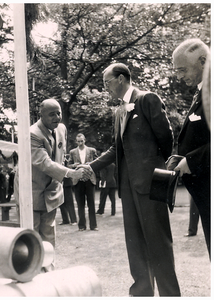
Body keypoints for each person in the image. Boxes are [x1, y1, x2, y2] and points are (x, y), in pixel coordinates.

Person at [79, 63, 180, 296]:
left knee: (158, 243)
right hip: (128, 187)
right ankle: (142, 291)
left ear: (122, 78)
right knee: (134, 243)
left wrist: (157, 169)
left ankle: (170, 294)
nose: (106, 88)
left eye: (107, 82)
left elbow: (166, 137)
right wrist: (91, 166)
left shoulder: (147, 99)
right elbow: (116, 148)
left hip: (151, 184)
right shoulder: (119, 111)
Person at [14, 99, 90, 249]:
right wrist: (71, 174)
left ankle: (49, 269)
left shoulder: (61, 129)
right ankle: (33, 271)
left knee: (49, 236)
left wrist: (73, 167)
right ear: (41, 115)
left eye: (59, 113)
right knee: (31, 237)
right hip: (31, 191)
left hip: (52, 191)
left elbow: (59, 156)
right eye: (51, 114)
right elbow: (44, 163)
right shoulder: (31, 134)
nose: (57, 117)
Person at [172, 38, 210, 257]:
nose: (178, 77)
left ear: (203, 61)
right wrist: (181, 157)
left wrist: (192, 160)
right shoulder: (202, 90)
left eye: (182, 70)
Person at [68, 133, 98, 231]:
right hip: (78, 180)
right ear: (76, 141)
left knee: (91, 203)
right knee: (80, 204)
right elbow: (68, 165)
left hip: (90, 179)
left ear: (85, 140)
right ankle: (81, 226)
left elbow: (98, 162)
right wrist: (74, 165)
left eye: (82, 141)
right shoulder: (72, 152)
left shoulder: (92, 150)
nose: (80, 143)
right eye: (78, 141)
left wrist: (92, 163)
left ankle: (93, 226)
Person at [59, 155, 77, 225]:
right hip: (60, 183)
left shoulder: (67, 162)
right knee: (61, 203)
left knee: (69, 202)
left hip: (67, 184)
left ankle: (73, 220)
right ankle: (65, 219)